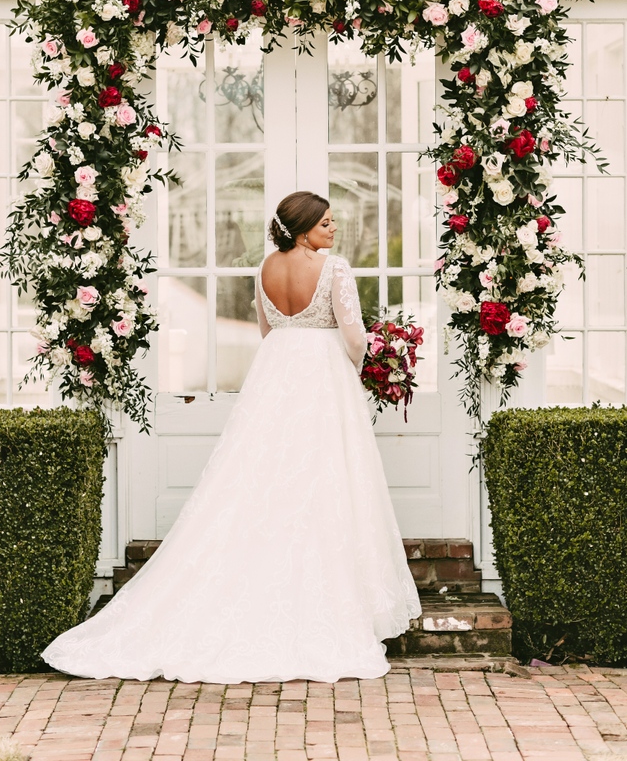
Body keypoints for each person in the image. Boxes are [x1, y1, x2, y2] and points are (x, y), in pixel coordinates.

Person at [42, 191, 421, 683]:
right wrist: (358, 362)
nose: (334, 230)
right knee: (324, 479)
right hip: (321, 377)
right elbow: (353, 337)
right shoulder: (336, 270)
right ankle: (319, 601)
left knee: (261, 479)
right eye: (326, 223)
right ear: (304, 228)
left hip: (277, 371)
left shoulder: (265, 268)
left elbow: (266, 329)